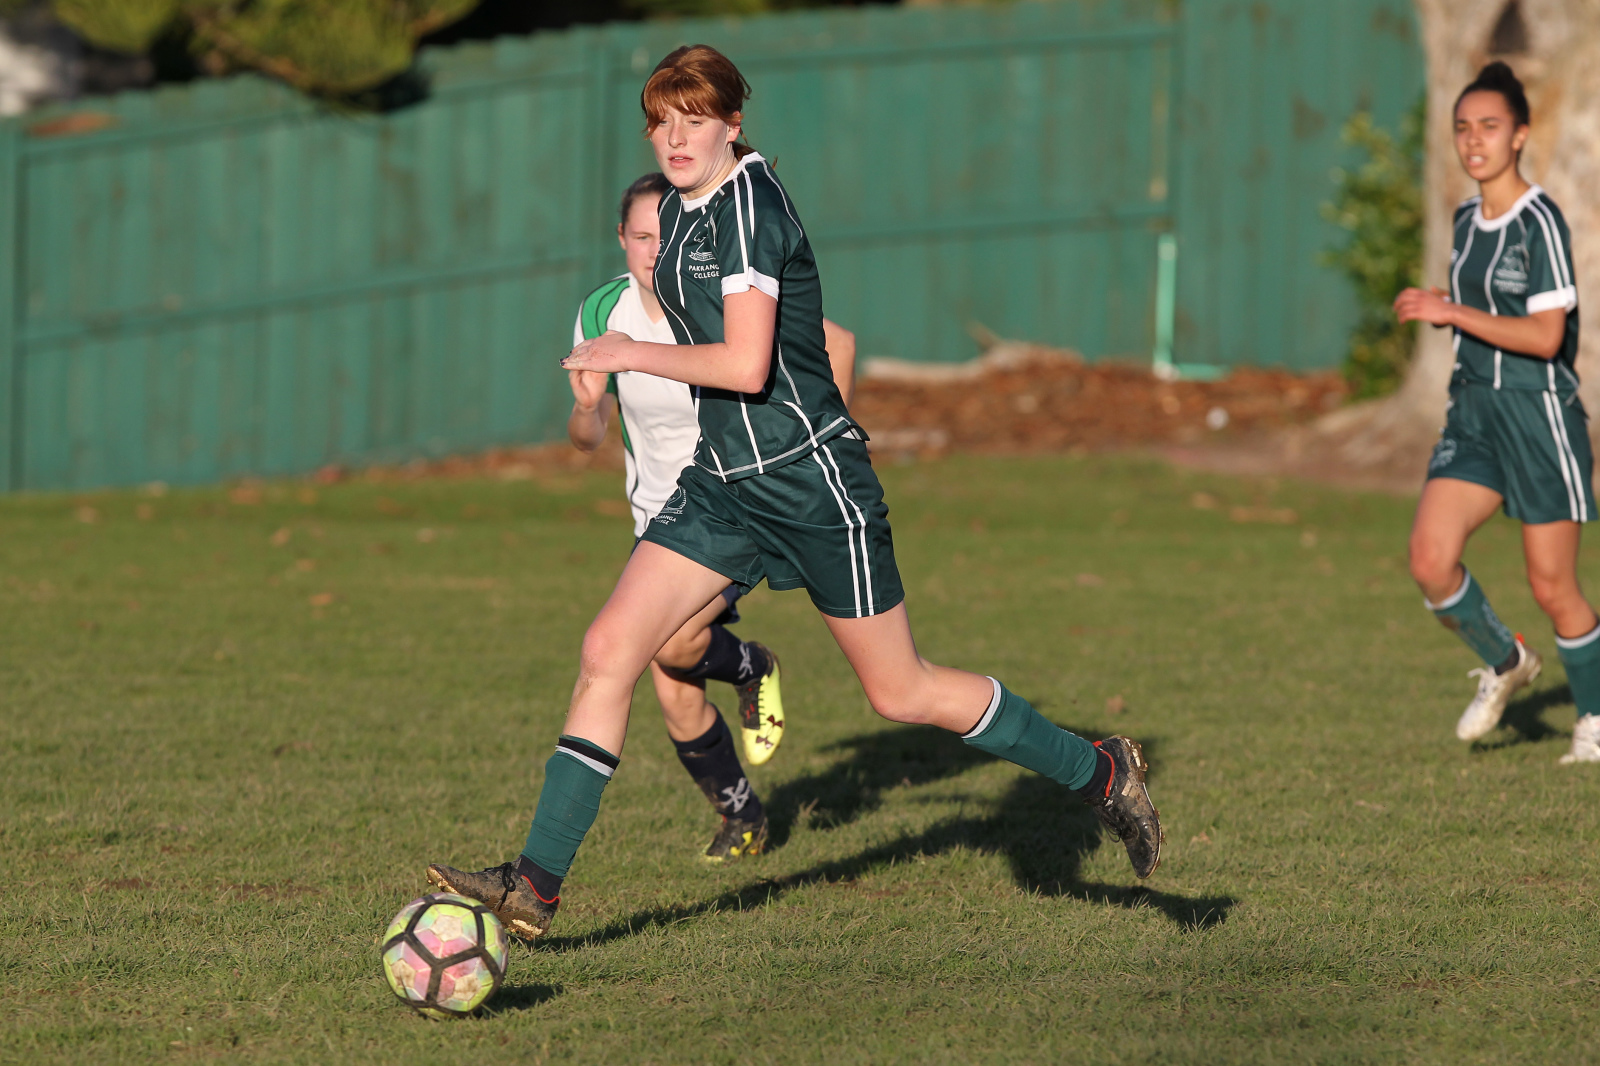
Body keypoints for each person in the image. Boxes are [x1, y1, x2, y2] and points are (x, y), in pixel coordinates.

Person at [427, 44, 1162, 940]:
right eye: (661, 122)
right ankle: (534, 887)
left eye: (696, 119)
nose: (675, 138)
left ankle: (1102, 773)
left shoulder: (751, 209)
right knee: (608, 648)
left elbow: (746, 365)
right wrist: (604, 383)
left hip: (813, 488)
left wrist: (630, 354)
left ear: (733, 123)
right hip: (722, 486)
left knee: (902, 692)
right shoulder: (685, 214)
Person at [565, 170, 858, 862]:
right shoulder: (603, 310)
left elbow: (837, 343)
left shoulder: (716, 293)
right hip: (658, 518)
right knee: (675, 691)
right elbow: (586, 437)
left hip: (739, 500)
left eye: (664, 235)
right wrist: (586, 406)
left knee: (669, 645)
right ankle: (743, 816)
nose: (653, 250)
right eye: (641, 236)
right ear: (621, 239)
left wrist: (819, 448)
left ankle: (750, 664)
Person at [1396, 61, 1600, 761]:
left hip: (1538, 418)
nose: (1473, 140)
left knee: (1553, 586)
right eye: (1463, 127)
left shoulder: (1540, 221)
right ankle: (1507, 661)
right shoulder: (1464, 219)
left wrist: (1451, 312)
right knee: (1430, 560)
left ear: (1520, 135)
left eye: (1489, 126)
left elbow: (1545, 337)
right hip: (1475, 414)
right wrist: (1446, 307)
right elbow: (1480, 310)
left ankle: (1595, 719)